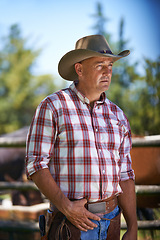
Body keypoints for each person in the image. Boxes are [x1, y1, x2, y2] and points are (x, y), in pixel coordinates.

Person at [26, 35, 137, 240]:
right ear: (79, 69)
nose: (107, 71)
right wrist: (67, 207)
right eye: (99, 65)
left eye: (110, 64)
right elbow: (36, 164)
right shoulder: (53, 106)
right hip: (71, 223)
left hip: (112, 222)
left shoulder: (118, 116)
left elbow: (125, 174)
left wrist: (132, 226)